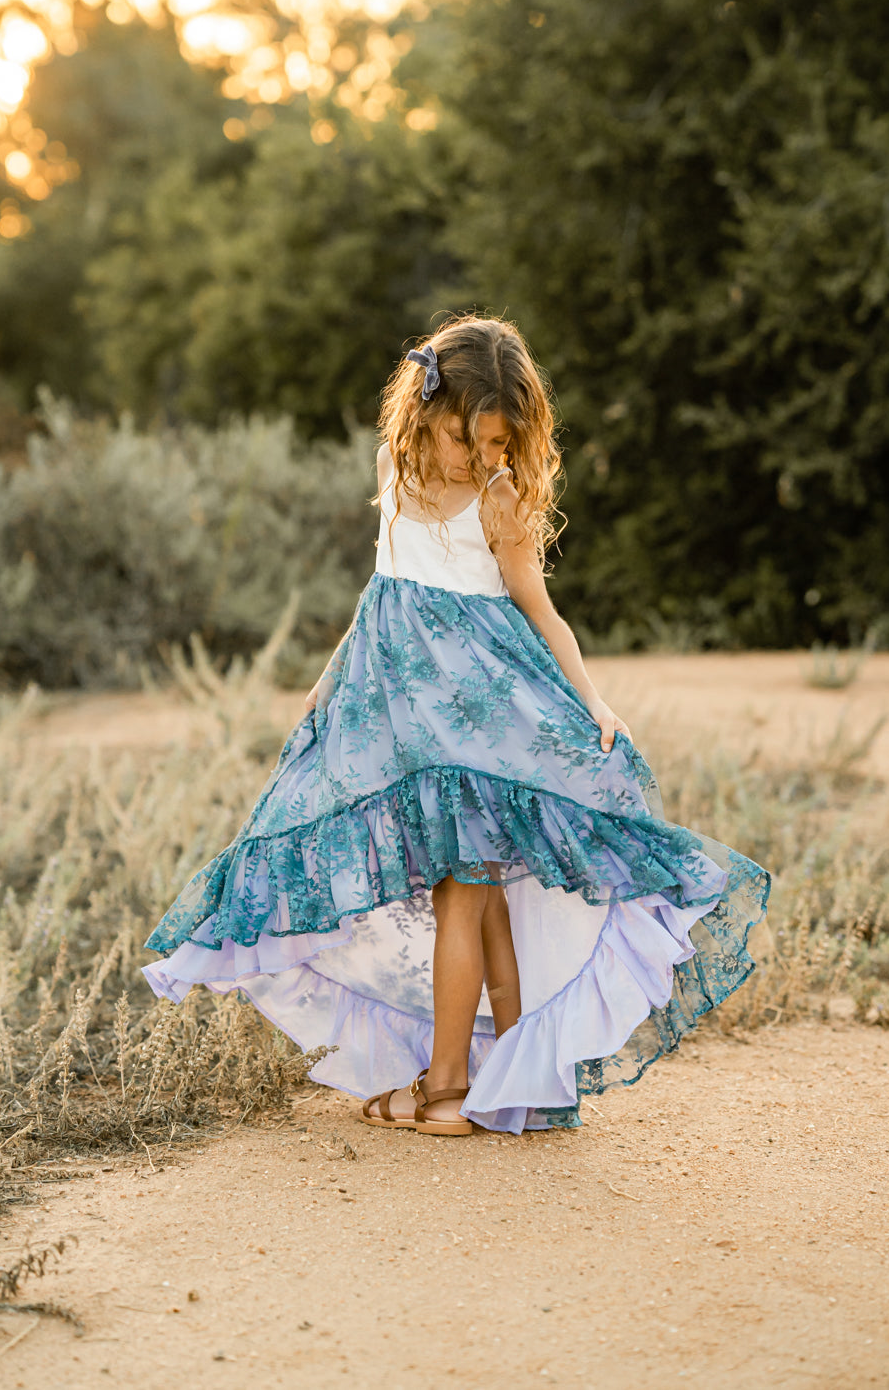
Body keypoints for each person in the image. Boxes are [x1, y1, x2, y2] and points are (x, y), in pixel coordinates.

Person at [143, 314, 769, 1135]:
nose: (479, 458)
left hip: (488, 737)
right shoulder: (394, 474)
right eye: (463, 438)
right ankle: (517, 1078)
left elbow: (542, 615)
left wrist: (594, 700)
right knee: (482, 905)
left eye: (499, 444)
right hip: (408, 735)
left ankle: (445, 1088)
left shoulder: (499, 499)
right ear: (421, 415)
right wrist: (328, 682)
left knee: (464, 901)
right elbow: (380, 593)